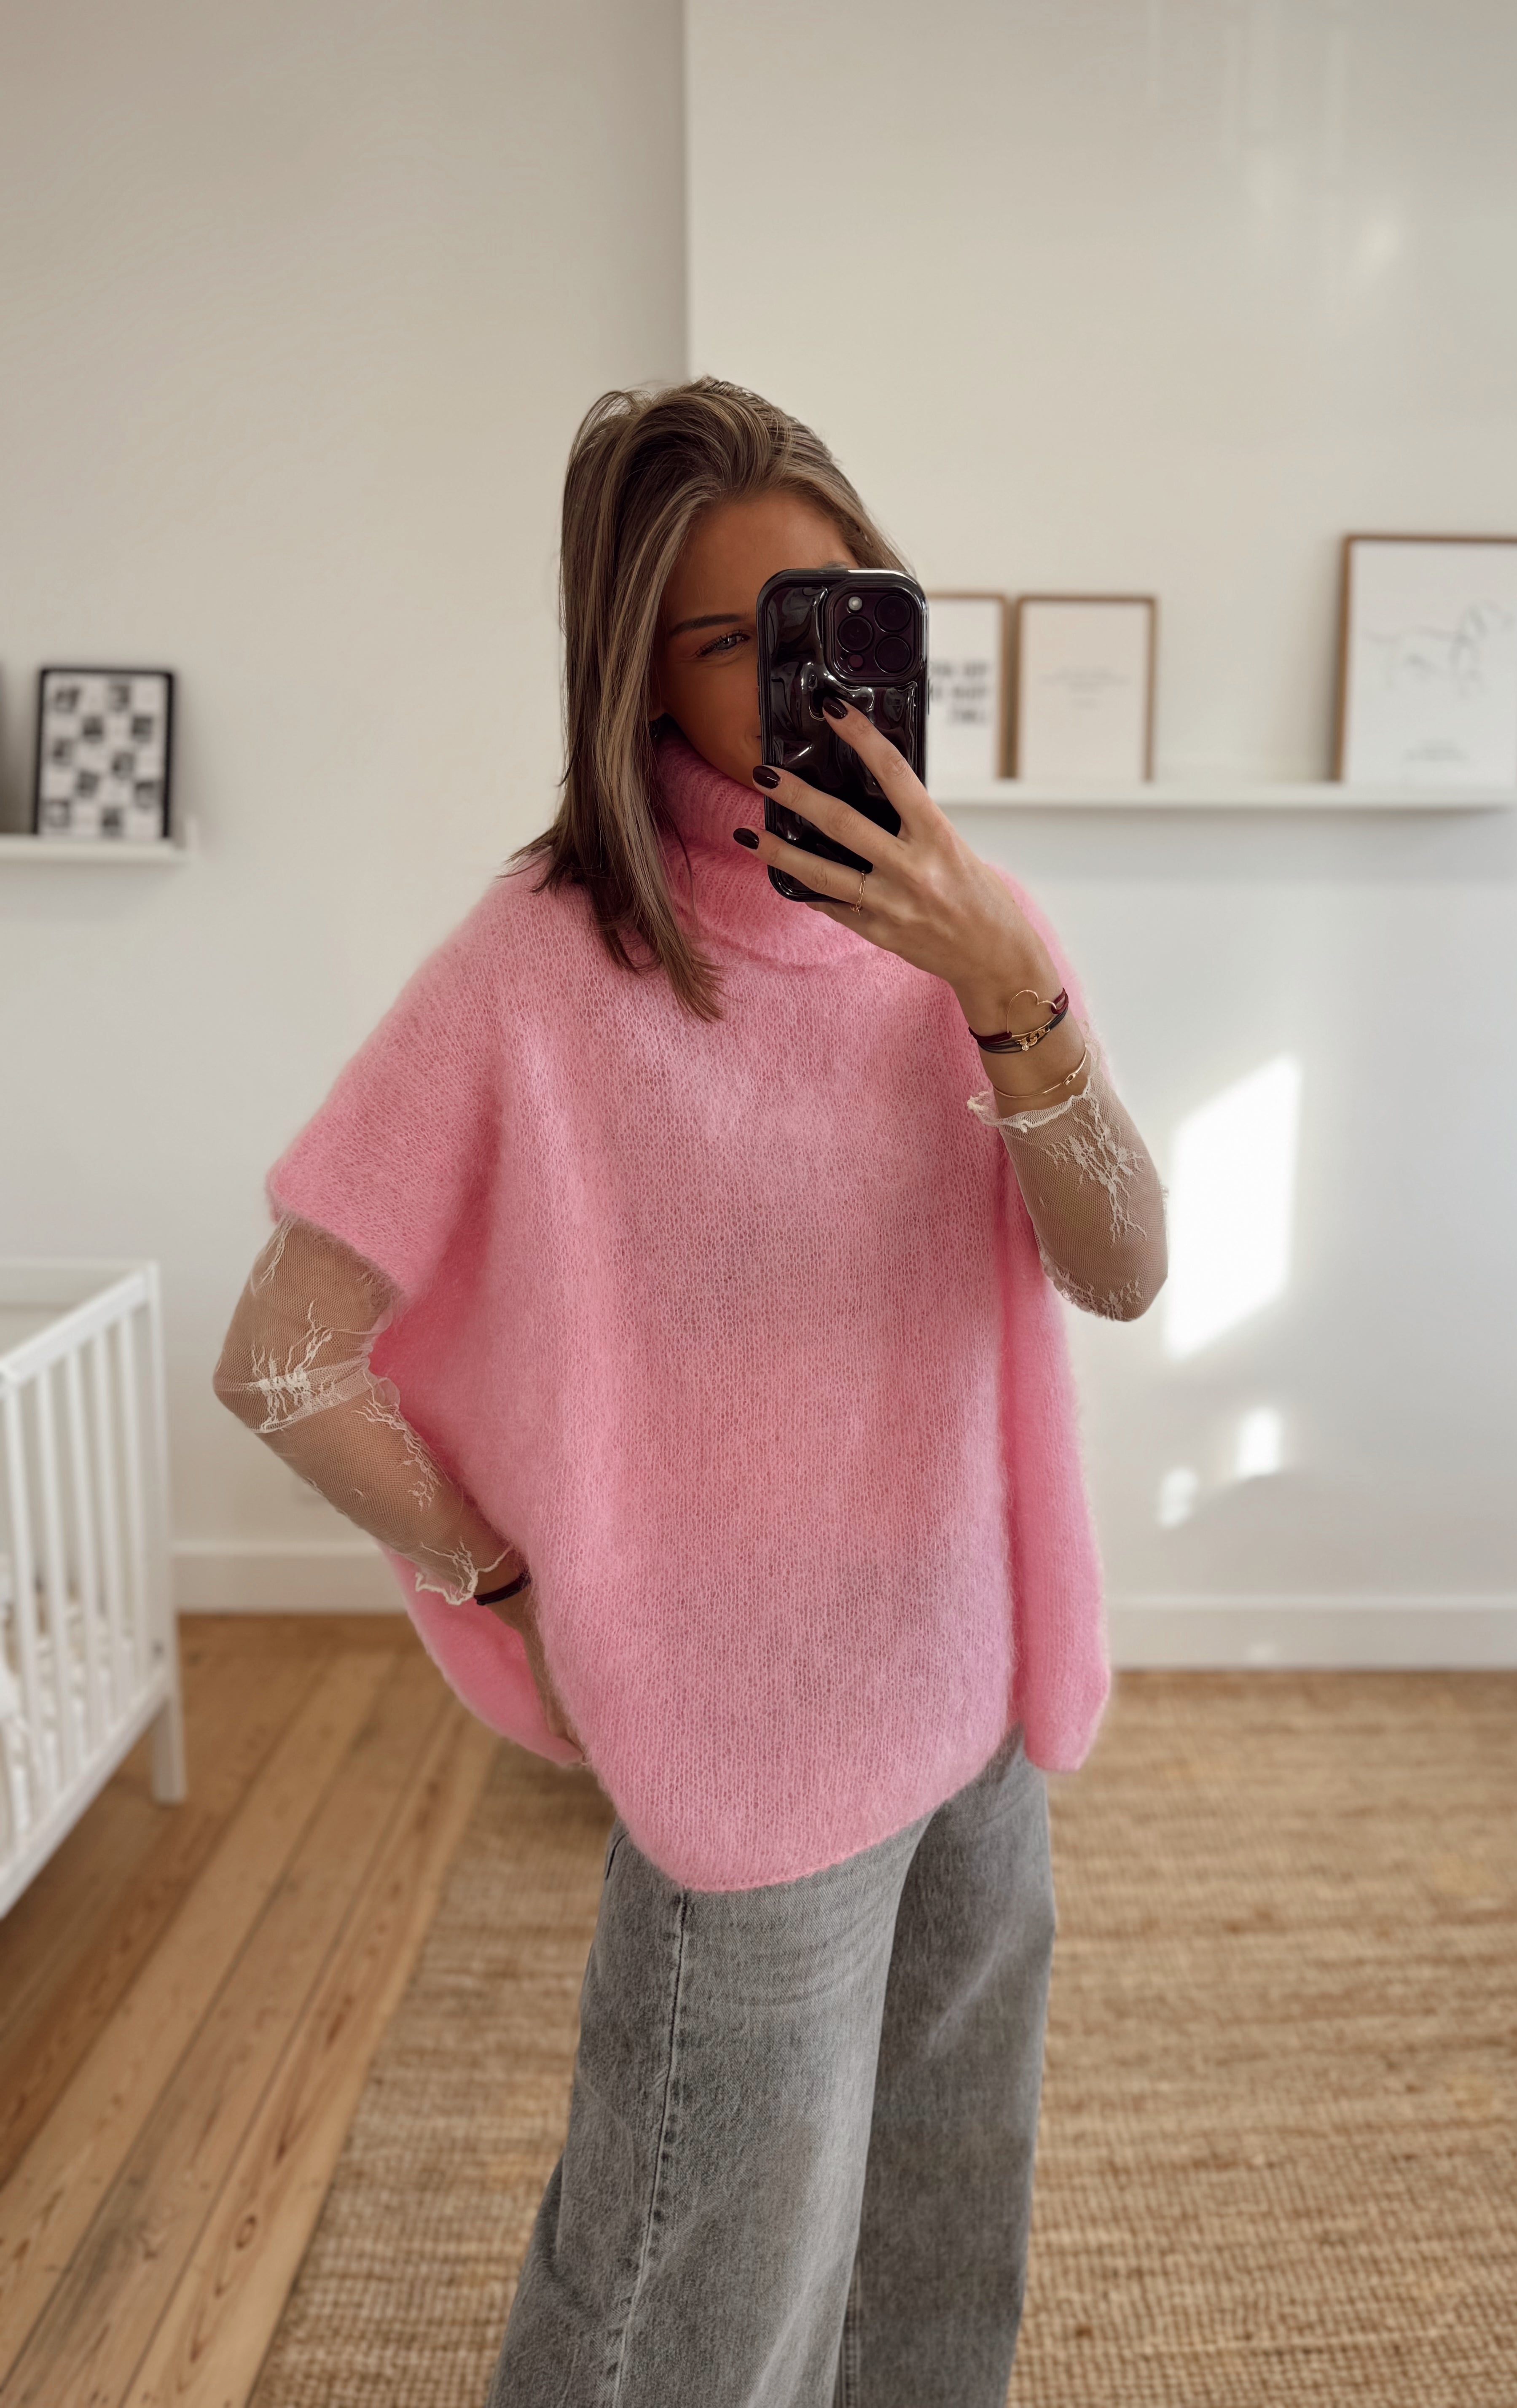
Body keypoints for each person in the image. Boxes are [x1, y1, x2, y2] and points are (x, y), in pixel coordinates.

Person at [214, 377, 1166, 2408]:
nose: (811, 675)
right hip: (741, 1746)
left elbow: (1123, 1269)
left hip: (971, 1696)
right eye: (738, 638)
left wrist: (1010, 993)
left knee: (939, 2252)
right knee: (692, 2308)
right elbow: (280, 1357)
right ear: (638, 674)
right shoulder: (545, 963)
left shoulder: (977, 937)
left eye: (841, 608)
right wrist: (506, 1588)